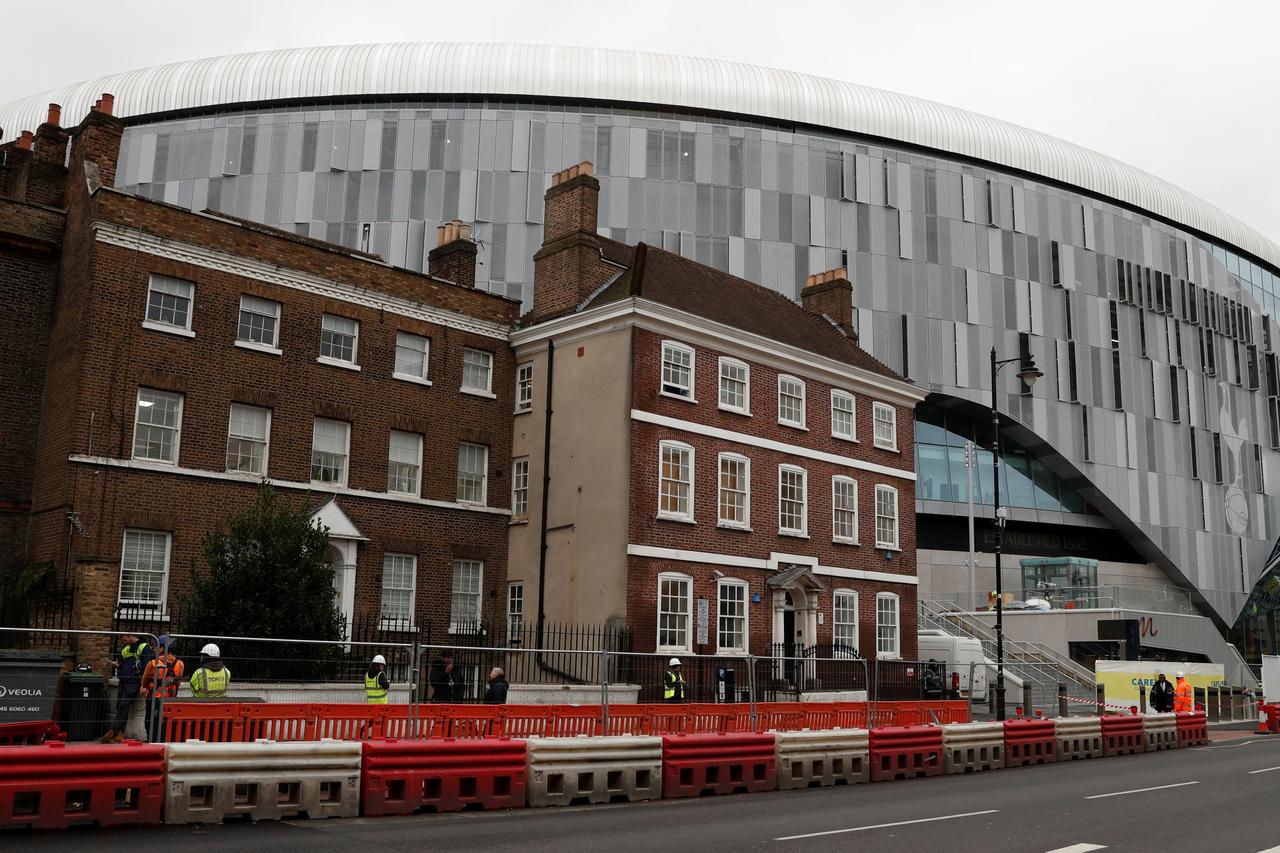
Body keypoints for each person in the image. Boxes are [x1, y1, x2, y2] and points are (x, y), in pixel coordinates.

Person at [101, 633, 153, 743]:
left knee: (124, 704)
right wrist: (118, 666)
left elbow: (147, 668)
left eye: (125, 640)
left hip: (134, 681)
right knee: (120, 705)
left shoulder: (144, 647)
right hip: (124, 680)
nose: (124, 643)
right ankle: (120, 732)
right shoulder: (127, 649)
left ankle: (113, 730)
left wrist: (144, 684)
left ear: (131, 636)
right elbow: (124, 665)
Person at [140, 635, 185, 741]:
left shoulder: (152, 663)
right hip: (170, 700)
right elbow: (178, 682)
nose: (153, 649)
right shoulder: (180, 664)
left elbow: (144, 683)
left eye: (155, 646)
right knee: (166, 723)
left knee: (150, 722)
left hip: (154, 698)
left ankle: (152, 741)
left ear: (162, 648)